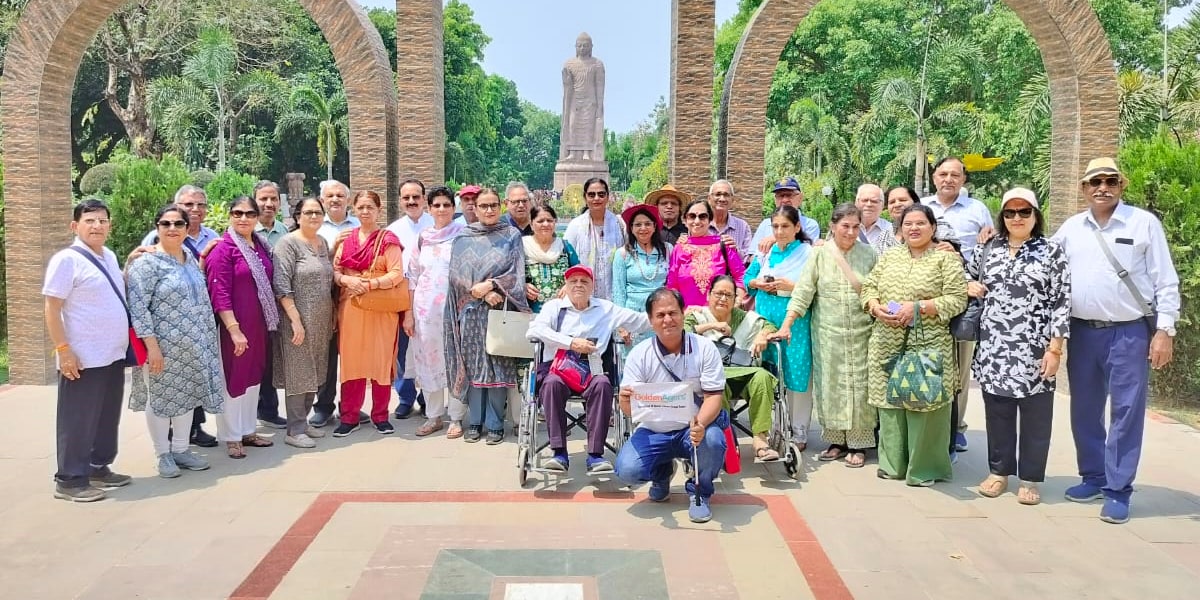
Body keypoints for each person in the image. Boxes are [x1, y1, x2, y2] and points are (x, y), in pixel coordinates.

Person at [1052, 157, 1180, 524]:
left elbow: (1165, 280)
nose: (1102, 187)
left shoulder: (1143, 224)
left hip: (1128, 332)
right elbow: (1042, 258)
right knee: (1085, 408)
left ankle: (1119, 490)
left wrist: (1164, 330)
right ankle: (1094, 476)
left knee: (1126, 411)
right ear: (1084, 189)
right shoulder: (1072, 228)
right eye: (1095, 182)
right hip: (1083, 332)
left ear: (1121, 185)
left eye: (1110, 180)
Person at [968, 188, 1070, 505]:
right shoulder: (988, 249)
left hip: (1035, 349)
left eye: (1024, 212)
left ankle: (1030, 479)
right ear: (1002, 216)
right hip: (994, 348)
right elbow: (959, 275)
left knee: (1035, 417)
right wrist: (967, 284)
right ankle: (999, 473)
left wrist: (1055, 350)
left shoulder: (1051, 251)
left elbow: (1062, 302)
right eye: (1010, 212)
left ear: (1035, 215)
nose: (1016, 218)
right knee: (997, 414)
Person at [861, 204, 967, 486]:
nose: (914, 228)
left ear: (933, 227)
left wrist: (920, 307)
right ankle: (893, 465)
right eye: (908, 224)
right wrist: (873, 306)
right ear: (900, 229)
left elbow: (957, 299)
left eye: (921, 223)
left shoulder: (946, 259)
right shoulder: (890, 257)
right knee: (889, 404)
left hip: (928, 342)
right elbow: (869, 286)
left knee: (925, 403)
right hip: (887, 339)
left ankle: (925, 469)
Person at [43, 199, 133, 501]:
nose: (97, 226)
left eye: (102, 220)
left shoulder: (108, 255)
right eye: (90, 220)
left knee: (106, 416)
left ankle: (97, 465)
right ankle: (70, 479)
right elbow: (52, 308)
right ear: (75, 226)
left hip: (112, 354)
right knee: (77, 419)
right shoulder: (66, 260)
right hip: (82, 357)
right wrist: (63, 349)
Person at [616, 288, 728, 524]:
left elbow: (714, 396)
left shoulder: (704, 348)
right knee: (627, 470)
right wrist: (624, 402)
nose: (667, 320)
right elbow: (632, 411)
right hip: (654, 430)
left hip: (694, 426)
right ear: (650, 321)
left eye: (672, 313)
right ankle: (662, 473)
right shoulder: (639, 354)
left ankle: (700, 493)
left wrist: (700, 424)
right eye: (660, 315)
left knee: (713, 440)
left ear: (683, 313)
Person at [778, 204, 879, 467]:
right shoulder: (820, 255)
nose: (850, 232)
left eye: (856, 227)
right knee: (831, 388)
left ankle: (860, 443)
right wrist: (787, 323)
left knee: (860, 388)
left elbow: (881, 290)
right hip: (827, 336)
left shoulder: (869, 255)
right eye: (845, 226)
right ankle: (836, 441)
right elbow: (803, 292)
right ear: (833, 226)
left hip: (862, 335)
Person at [127, 204, 224, 477]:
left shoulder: (189, 259)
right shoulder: (146, 264)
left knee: (187, 396)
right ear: (157, 228)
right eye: (165, 224)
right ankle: (163, 453)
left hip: (193, 345)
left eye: (178, 224)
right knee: (159, 399)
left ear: (185, 228)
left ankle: (181, 449)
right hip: (161, 348)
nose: (172, 229)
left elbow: (202, 302)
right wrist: (152, 348)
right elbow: (138, 308)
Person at [527, 265, 650, 474]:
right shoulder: (554, 308)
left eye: (584, 281)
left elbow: (640, 321)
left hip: (592, 371)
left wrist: (670, 316)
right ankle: (559, 453)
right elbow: (535, 330)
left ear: (592, 286)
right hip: (558, 371)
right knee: (550, 384)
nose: (578, 285)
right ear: (565, 285)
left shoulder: (606, 309)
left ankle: (595, 455)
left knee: (603, 384)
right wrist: (571, 343)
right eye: (573, 281)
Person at [445, 188, 530, 444]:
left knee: (498, 366)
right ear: (475, 208)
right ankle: (475, 422)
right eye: (484, 206)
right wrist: (481, 293)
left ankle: (495, 424)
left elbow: (517, 273)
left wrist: (493, 285)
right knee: (474, 366)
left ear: (501, 206)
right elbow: (455, 275)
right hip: (471, 312)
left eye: (494, 205)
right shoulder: (463, 237)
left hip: (501, 310)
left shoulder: (511, 235)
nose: (490, 210)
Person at [922, 157, 994, 451]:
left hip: (964, 296)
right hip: (927, 295)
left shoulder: (978, 210)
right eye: (943, 174)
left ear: (964, 179)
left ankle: (958, 426)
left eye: (955, 174)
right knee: (930, 361)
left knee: (961, 365)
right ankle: (931, 424)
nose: (948, 179)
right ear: (934, 177)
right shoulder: (924, 206)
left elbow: (990, 246)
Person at [205, 196, 278, 459]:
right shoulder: (223, 249)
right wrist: (234, 330)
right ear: (229, 216)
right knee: (234, 379)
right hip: (234, 327)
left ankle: (247, 430)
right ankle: (231, 436)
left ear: (257, 217)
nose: (243, 218)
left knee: (253, 378)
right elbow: (219, 292)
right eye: (237, 213)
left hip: (259, 325)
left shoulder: (260, 245)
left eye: (249, 213)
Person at [332, 190, 406, 438]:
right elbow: (336, 270)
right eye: (361, 207)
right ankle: (349, 416)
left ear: (378, 210)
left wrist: (371, 284)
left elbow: (397, 273)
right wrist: (346, 280)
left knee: (380, 361)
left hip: (381, 308)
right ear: (354, 209)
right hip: (352, 307)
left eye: (370, 208)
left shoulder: (388, 240)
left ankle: (381, 416)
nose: (365, 212)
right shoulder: (346, 240)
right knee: (352, 362)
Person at [684, 276, 779, 460]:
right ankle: (726, 439)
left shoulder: (744, 318)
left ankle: (760, 439)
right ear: (709, 295)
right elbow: (683, 333)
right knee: (717, 382)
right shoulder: (697, 316)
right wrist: (713, 326)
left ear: (736, 299)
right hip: (714, 376)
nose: (723, 299)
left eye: (728, 295)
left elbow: (769, 325)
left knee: (763, 376)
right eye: (719, 293)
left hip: (745, 373)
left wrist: (763, 335)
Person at [744, 205, 815, 448]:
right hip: (766, 319)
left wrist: (789, 285)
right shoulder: (766, 252)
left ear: (797, 227)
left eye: (785, 226)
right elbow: (747, 278)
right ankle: (775, 424)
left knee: (796, 372)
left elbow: (815, 288)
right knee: (770, 372)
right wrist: (757, 283)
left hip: (795, 320)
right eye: (775, 226)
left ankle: (799, 430)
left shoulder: (808, 253)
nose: (780, 231)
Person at [272, 197, 336, 449]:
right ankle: (294, 428)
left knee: (316, 370)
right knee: (298, 372)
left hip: (320, 319)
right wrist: (295, 320)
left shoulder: (322, 242)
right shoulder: (287, 244)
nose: (313, 217)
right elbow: (281, 285)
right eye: (308, 212)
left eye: (318, 212)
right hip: (296, 320)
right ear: (298, 216)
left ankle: (304, 421)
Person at [409, 186, 469, 438]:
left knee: (455, 362)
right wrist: (408, 314)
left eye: (446, 205)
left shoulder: (463, 235)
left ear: (453, 209)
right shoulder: (422, 238)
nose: (442, 209)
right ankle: (434, 415)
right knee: (429, 361)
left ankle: (455, 417)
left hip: (455, 310)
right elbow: (412, 277)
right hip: (425, 313)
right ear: (428, 208)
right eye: (437, 205)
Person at [311, 179, 362, 427]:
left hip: (355, 297)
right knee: (327, 356)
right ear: (322, 200)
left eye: (340, 195)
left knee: (353, 355)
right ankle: (323, 406)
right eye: (330, 196)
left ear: (348, 200)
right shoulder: (314, 226)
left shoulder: (360, 224)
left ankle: (351, 406)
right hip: (324, 298)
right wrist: (334, 249)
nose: (335, 200)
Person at [385, 179, 433, 420]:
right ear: (400, 200)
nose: (412, 201)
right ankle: (405, 398)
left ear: (424, 198)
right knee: (402, 351)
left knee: (428, 348)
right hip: (402, 297)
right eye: (407, 198)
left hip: (430, 299)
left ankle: (428, 398)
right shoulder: (392, 230)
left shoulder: (436, 224)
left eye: (416, 196)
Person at [250, 181, 289, 430]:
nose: (269, 204)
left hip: (278, 308)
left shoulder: (284, 231)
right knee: (253, 362)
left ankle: (268, 410)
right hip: (251, 309)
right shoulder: (244, 229)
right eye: (263, 199)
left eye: (273, 199)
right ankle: (249, 414)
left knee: (272, 360)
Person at [667, 199, 747, 307]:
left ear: (710, 220)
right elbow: (672, 285)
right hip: (688, 315)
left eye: (702, 216)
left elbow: (741, 276)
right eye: (692, 216)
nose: (697, 221)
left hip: (718, 314)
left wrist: (737, 300)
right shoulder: (679, 248)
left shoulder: (724, 245)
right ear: (685, 220)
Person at [612, 204, 671, 337]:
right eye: (638, 225)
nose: (643, 228)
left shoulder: (668, 250)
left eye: (647, 224)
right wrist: (621, 325)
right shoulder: (622, 254)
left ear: (655, 226)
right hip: (633, 317)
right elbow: (618, 291)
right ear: (631, 229)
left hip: (662, 315)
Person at [565, 178, 625, 301]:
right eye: (591, 195)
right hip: (582, 295)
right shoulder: (576, 225)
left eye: (601, 194)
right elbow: (565, 258)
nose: (596, 198)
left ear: (608, 197)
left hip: (614, 294)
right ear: (585, 198)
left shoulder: (619, 224)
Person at [524, 204, 580, 313]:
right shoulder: (522, 247)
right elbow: (511, 276)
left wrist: (569, 285)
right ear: (531, 224)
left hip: (563, 313)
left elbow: (580, 274)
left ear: (555, 223)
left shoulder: (565, 247)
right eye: (540, 221)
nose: (545, 224)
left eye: (549, 220)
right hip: (529, 314)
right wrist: (522, 286)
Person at [751, 177, 821, 257]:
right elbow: (752, 256)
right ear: (775, 200)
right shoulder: (765, 224)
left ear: (800, 198)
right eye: (780, 196)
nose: (784, 200)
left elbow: (806, 255)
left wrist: (776, 239)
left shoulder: (810, 225)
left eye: (789, 195)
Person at [707, 179, 753, 257]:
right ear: (709, 198)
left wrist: (735, 251)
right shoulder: (700, 224)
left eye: (726, 195)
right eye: (718, 194)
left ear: (732, 200)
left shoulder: (743, 226)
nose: (722, 199)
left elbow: (748, 258)